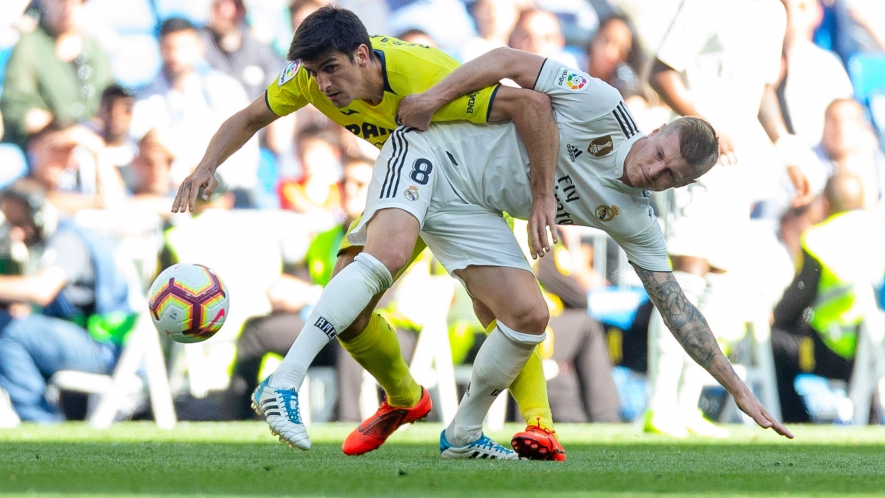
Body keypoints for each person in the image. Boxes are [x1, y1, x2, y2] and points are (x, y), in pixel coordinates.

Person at [171, 7, 564, 461]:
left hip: (469, 185)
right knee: (350, 312)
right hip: (409, 178)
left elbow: (527, 106)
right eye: (315, 74)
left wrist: (541, 197)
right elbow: (248, 117)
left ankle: (539, 424)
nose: (323, 85)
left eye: (331, 70)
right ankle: (404, 397)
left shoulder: (424, 75)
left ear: (362, 55)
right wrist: (205, 166)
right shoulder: (306, 78)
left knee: (503, 310)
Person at [393, 46, 792, 446]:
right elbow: (506, 60)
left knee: (527, 316)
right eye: (658, 155)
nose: (651, 172)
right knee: (369, 273)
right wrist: (432, 99)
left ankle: (464, 433)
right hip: (442, 153)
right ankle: (422, 408)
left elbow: (678, 310)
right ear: (653, 132)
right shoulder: (600, 104)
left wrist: (737, 388)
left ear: (681, 187)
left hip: (476, 210)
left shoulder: (637, 220)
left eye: (669, 176)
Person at [642, 0, 808, 438]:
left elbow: (762, 89)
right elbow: (659, 71)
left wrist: (787, 149)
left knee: (717, 278)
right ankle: (659, 405)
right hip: (694, 157)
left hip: (740, 161)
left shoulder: (775, 11)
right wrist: (709, 128)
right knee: (687, 271)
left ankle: (685, 404)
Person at [0, 182, 135, 422]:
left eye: (20, 223)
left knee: (11, 330)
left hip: (103, 347)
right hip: (91, 340)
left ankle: (40, 419)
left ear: (40, 214)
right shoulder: (58, 239)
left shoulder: (66, 239)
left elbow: (42, 290)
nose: (16, 233)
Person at [771, 171, 885, 422]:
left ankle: (796, 420)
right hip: (877, 347)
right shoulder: (879, 230)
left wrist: (774, 317)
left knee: (773, 342)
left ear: (824, 203)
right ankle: (871, 416)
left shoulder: (818, 238)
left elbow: (795, 301)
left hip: (834, 351)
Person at [0, 0, 115, 151]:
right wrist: (68, 130)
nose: (69, 6)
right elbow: (17, 110)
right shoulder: (30, 45)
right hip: (44, 149)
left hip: (91, 146)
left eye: (77, 1)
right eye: (62, 1)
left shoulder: (95, 48)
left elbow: (111, 106)